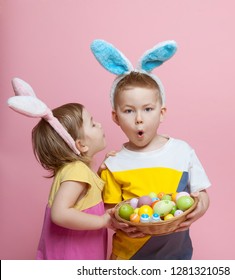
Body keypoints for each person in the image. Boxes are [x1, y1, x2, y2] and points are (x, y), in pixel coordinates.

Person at [90, 40, 211, 260]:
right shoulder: (113, 164)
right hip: (130, 258)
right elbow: (112, 211)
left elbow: (201, 194)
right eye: (128, 111)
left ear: (161, 112)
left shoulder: (182, 152)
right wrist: (117, 221)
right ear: (115, 117)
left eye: (148, 109)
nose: (139, 119)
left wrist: (200, 207)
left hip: (178, 257)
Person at [8, 78, 113, 260]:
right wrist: (103, 220)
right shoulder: (77, 171)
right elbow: (60, 213)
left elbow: (84, 201)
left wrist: (101, 171)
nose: (100, 125)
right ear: (81, 145)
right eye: (92, 123)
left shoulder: (76, 171)